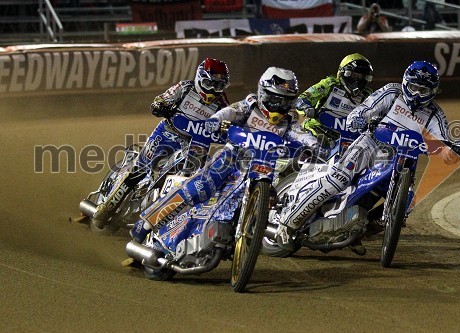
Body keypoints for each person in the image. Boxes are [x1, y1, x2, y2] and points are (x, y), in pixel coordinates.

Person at [275, 60, 460, 254]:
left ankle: (355, 232)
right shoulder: (392, 92)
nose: (417, 94)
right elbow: (366, 108)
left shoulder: (435, 113)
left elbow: (445, 141)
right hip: (370, 144)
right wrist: (358, 118)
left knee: (407, 205)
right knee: (339, 178)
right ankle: (288, 223)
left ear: (433, 91)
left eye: (423, 90)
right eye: (414, 87)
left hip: (405, 160)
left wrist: (452, 149)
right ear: (405, 83)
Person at [129, 67, 320, 243]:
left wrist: (313, 144)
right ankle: (145, 224)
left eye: (285, 101)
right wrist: (215, 119)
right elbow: (231, 110)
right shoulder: (250, 105)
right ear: (263, 93)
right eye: (275, 99)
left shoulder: (290, 119)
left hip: (261, 169)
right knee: (198, 187)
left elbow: (299, 133)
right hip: (231, 157)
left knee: (269, 199)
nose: (279, 106)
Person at [92, 58, 230, 228]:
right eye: (209, 83)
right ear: (200, 78)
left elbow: (229, 124)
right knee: (140, 169)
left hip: (194, 144)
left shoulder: (223, 105)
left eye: (218, 86)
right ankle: (107, 207)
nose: (213, 90)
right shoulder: (185, 88)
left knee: (193, 182)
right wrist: (161, 106)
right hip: (168, 132)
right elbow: (160, 100)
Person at [295, 53, 374, 154]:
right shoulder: (330, 84)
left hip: (348, 138)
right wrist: (307, 108)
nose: (359, 80)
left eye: (364, 76)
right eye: (355, 75)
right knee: (314, 150)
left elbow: (377, 113)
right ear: (344, 72)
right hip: (318, 130)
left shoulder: (367, 95)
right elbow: (303, 98)